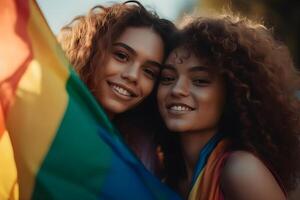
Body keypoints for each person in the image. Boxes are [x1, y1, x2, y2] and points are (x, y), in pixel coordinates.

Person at [157, 13, 300, 199]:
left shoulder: (239, 169)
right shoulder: (166, 175)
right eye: (167, 78)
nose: (177, 90)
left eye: (200, 80)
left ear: (232, 93)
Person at [58, 1, 176, 173]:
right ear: (91, 51)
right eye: (121, 56)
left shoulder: (143, 155)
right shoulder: (46, 114)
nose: (133, 75)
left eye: (149, 72)